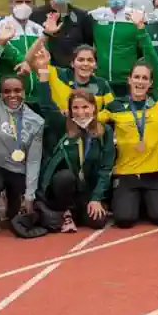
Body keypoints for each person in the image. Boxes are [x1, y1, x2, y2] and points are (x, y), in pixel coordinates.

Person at [98, 15, 158, 228]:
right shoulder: (114, 106)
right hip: (125, 173)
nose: (140, 82)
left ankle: (144, 202)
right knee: (124, 220)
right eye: (136, 77)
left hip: (153, 173)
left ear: (150, 83)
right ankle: (131, 201)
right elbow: (91, 121)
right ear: (129, 80)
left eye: (144, 79)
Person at [0, 24, 46, 234]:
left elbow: (34, 160)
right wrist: (0, 44)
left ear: (24, 92)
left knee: (16, 214)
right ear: (1, 93)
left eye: (17, 91)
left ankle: (13, 199)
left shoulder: (35, 121)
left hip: (18, 171)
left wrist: (30, 195)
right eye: (7, 91)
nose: (12, 95)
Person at [30, 79, 113, 233]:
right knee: (64, 177)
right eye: (75, 108)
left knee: (97, 222)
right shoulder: (63, 126)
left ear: (94, 108)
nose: (81, 112)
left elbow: (105, 167)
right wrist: (43, 77)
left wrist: (96, 198)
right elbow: (47, 106)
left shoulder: (104, 131)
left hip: (86, 190)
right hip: (63, 189)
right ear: (69, 110)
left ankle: (82, 210)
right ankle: (65, 212)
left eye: (85, 107)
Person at [88, 0, 146, 97]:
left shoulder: (137, 17)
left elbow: (144, 49)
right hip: (101, 80)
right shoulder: (95, 16)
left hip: (128, 82)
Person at [32, 0, 94, 69]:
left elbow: (88, 47)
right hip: (45, 72)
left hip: (73, 74)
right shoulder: (35, 15)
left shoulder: (82, 16)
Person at [0, 0, 44, 101]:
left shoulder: (39, 30)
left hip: (37, 97)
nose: (23, 5)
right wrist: (24, 62)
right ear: (10, 4)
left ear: (34, 5)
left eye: (28, 2)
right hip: (11, 96)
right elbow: (11, 55)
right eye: (19, 2)